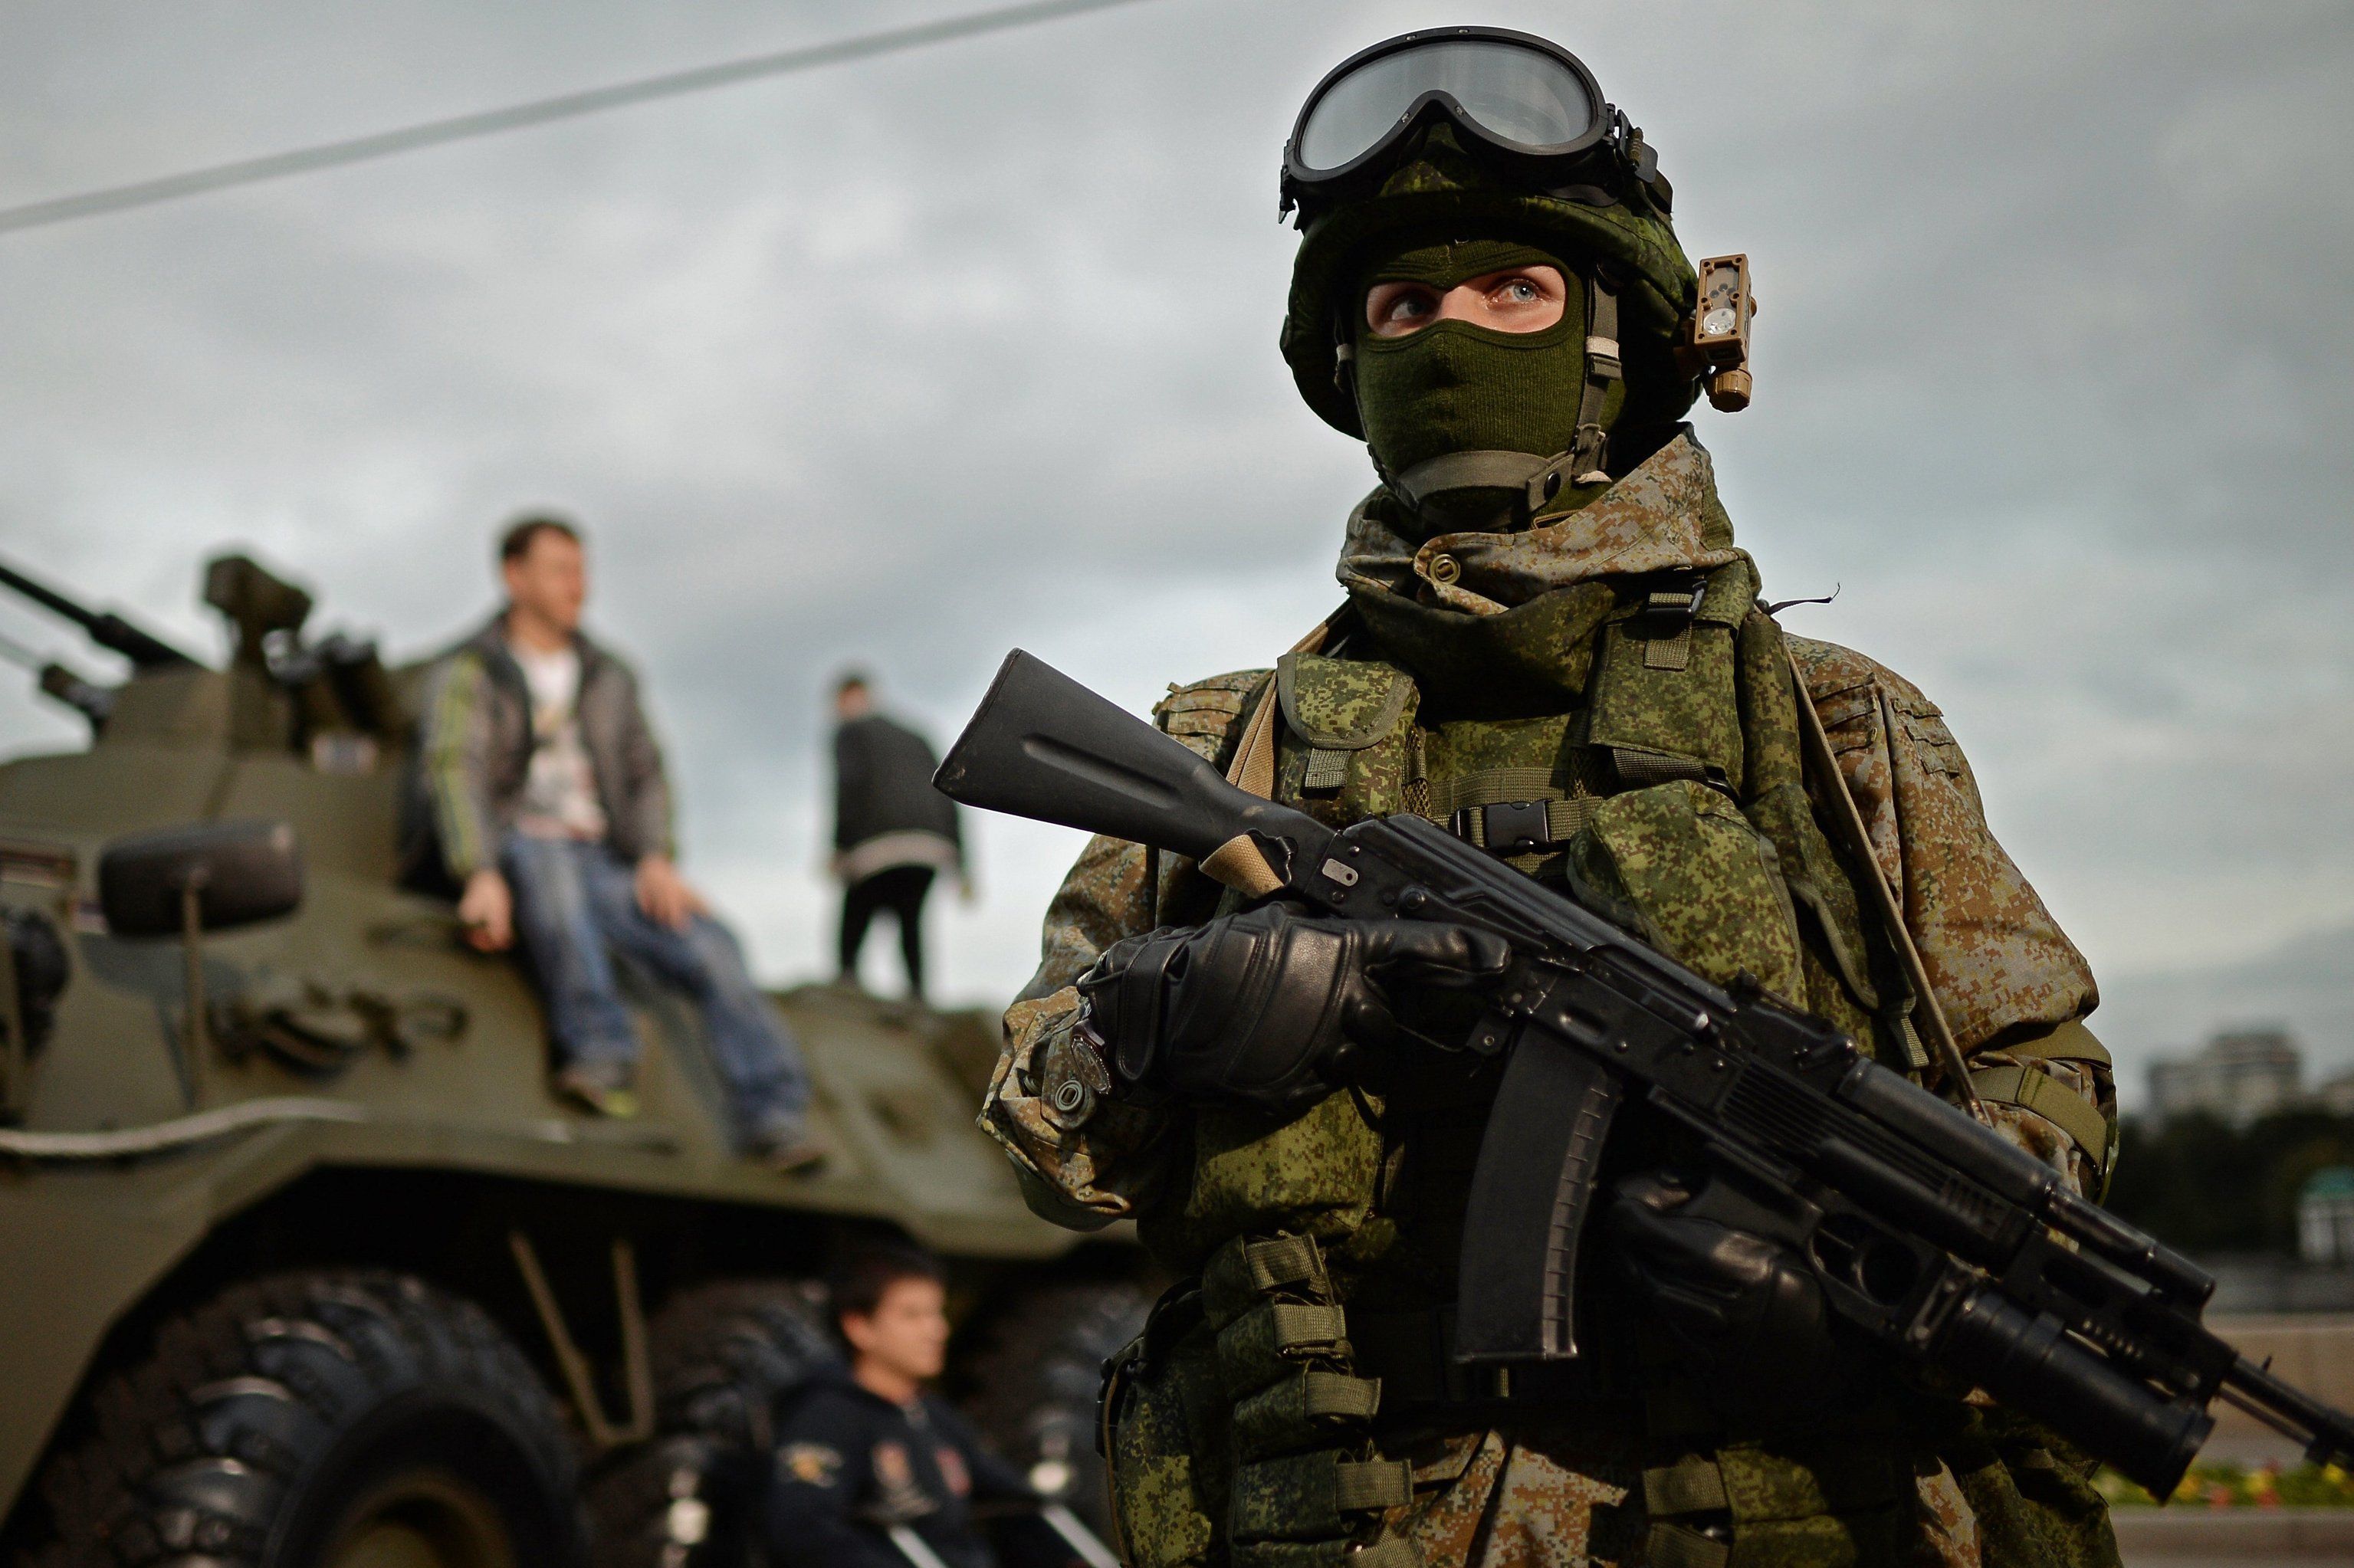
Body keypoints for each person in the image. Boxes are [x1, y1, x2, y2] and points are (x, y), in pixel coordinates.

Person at [979, 28, 2120, 1568]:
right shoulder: (1226, 746)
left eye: (1506, 292)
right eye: (1400, 303)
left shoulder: (1827, 727)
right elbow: (1042, 1134)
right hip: (1337, 1516)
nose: (1447, 330)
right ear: (1348, 358)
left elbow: (2037, 1087)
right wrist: (1172, 1006)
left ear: (1612, 343)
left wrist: (1841, 1272)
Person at [419, 514, 824, 1171]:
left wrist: (656, 858)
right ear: (514, 577)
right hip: (520, 843)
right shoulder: (473, 670)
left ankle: (773, 1114)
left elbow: (644, 770)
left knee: (712, 945)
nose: (577, 585)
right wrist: (480, 871)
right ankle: (602, 1054)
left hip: (605, 857)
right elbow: (453, 768)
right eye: (558, 570)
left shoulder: (608, 673)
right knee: (553, 890)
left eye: (581, 570)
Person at [767, 1246, 1072, 1568]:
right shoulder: (825, 1417)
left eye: (937, 1314)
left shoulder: (932, 1414)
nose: (937, 1331)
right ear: (859, 1327)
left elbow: (1012, 1497)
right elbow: (803, 1531)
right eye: (912, 1316)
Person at [831, 672, 967, 999]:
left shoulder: (850, 732)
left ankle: (846, 989)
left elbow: (848, 787)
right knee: (911, 923)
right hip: (930, 845)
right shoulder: (917, 735)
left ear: (848, 698)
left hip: (875, 846)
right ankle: (918, 997)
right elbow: (949, 793)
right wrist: (962, 859)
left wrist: (839, 846)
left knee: (855, 917)